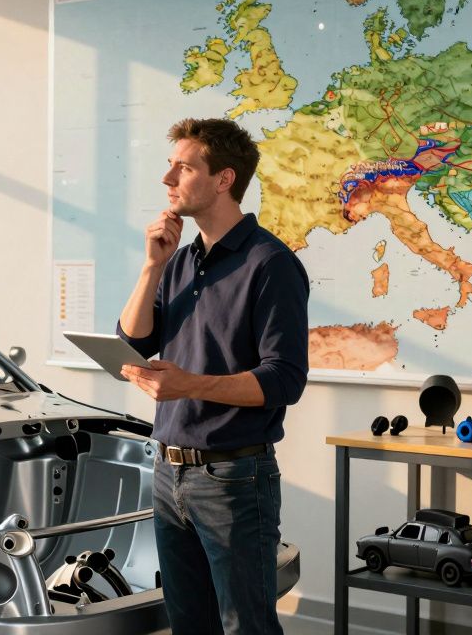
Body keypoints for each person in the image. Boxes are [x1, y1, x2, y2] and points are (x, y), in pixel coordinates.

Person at [117, 117, 309, 635]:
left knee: (245, 626)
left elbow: (285, 380)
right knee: (189, 625)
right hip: (167, 471)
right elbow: (135, 341)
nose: (168, 180)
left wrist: (189, 385)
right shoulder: (178, 262)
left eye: (183, 167)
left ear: (224, 179)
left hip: (233, 480)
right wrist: (151, 267)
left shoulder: (270, 264)